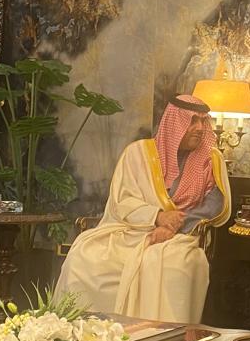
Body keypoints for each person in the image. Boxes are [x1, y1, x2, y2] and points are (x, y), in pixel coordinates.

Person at [55, 94, 230, 322]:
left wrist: (175, 225)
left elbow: (214, 205)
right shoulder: (138, 154)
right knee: (85, 257)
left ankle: (159, 335)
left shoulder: (210, 159)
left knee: (170, 264)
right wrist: (157, 216)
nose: (199, 128)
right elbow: (122, 200)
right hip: (132, 230)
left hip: (181, 236)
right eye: (192, 120)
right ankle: (83, 330)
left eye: (203, 121)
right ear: (174, 123)